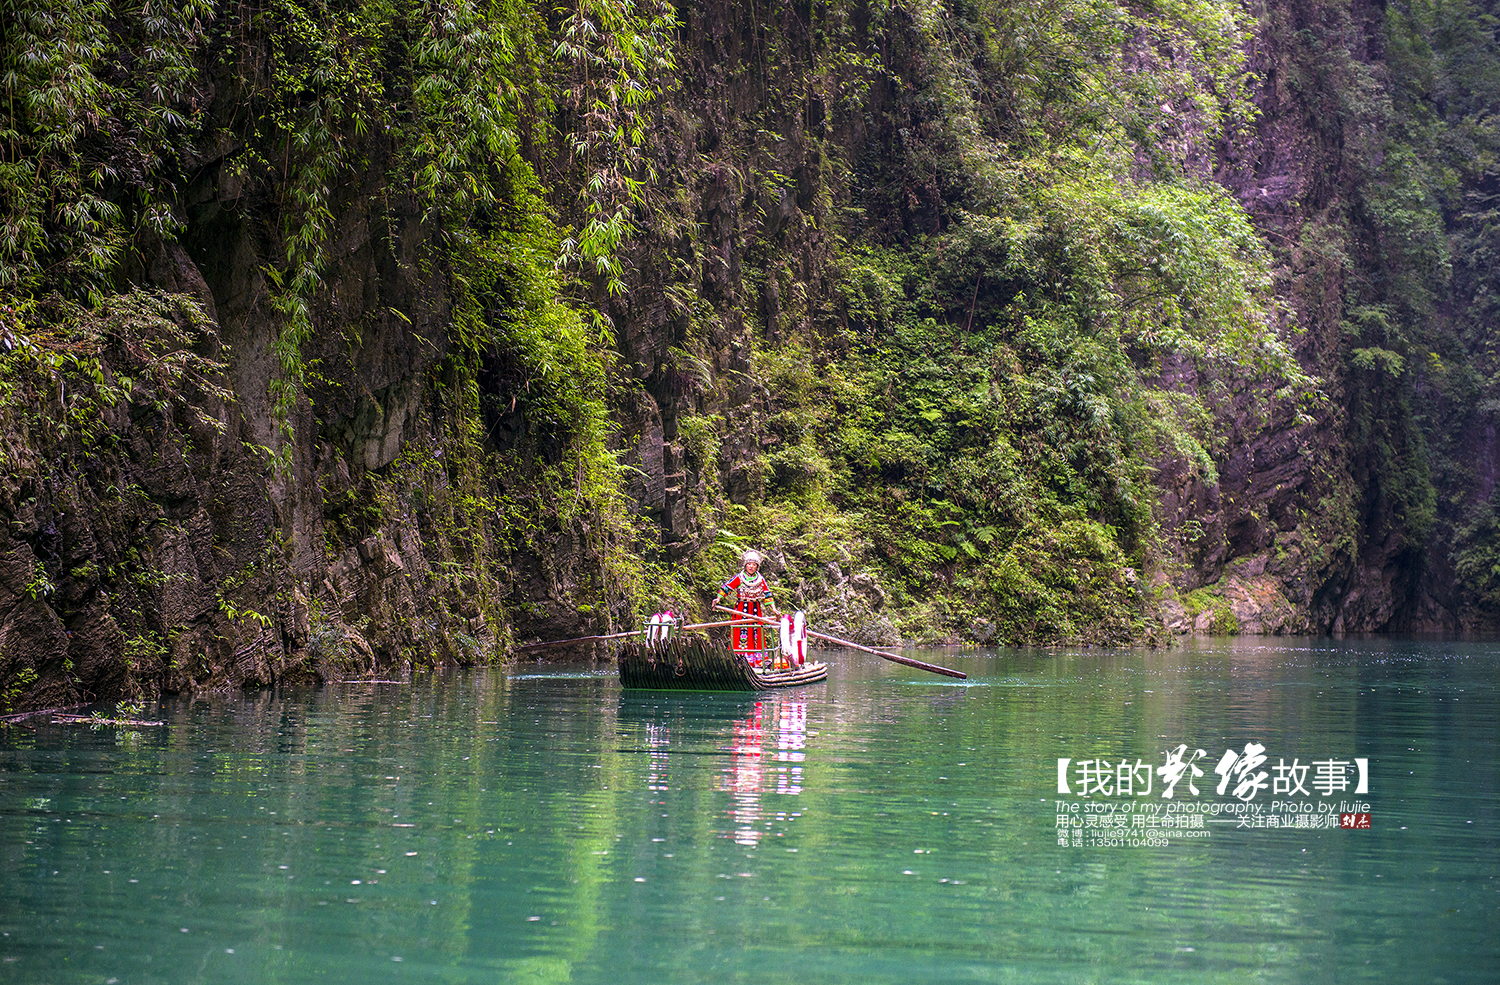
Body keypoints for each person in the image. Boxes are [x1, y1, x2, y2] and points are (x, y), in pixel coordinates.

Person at [717, 550, 780, 666]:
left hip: (755, 609)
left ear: (757, 566)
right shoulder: (739, 578)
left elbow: (767, 595)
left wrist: (774, 609)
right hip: (741, 609)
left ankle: (758, 659)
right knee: (740, 631)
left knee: (756, 632)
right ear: (745, 565)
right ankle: (738, 657)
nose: (751, 567)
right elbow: (727, 588)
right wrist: (718, 599)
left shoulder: (760, 579)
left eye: (754, 564)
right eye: (749, 564)